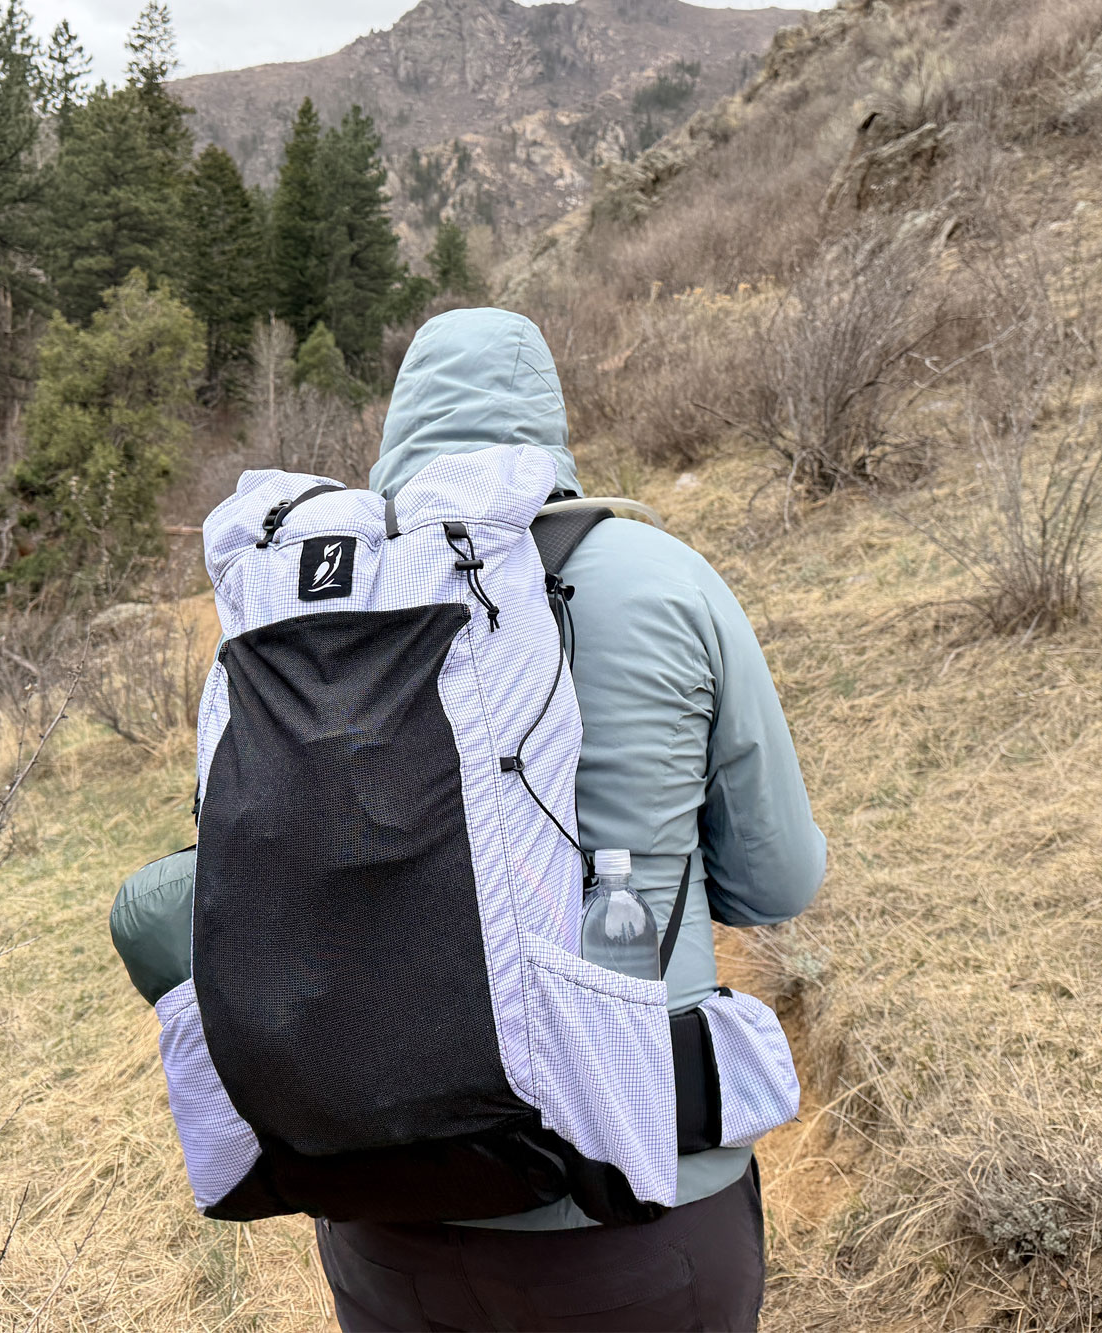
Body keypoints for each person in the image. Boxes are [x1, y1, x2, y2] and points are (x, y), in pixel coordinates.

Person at [310, 306, 827, 1332]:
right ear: (547, 430)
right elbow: (774, 884)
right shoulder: (663, 578)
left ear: (397, 435)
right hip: (637, 1203)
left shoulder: (327, 602)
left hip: (391, 1203)